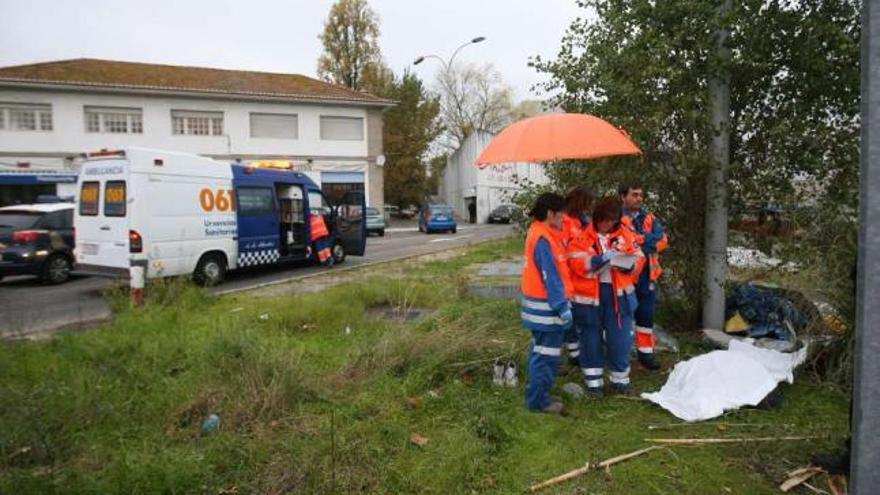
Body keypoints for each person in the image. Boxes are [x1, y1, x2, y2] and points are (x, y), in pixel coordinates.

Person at [570, 196, 643, 396]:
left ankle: (620, 380)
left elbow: (639, 258)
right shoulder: (582, 237)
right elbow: (576, 264)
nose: (608, 224)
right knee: (590, 339)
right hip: (590, 299)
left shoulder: (626, 235)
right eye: (604, 220)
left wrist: (629, 267)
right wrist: (598, 260)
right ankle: (594, 384)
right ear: (596, 218)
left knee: (620, 339)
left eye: (612, 220)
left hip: (619, 297)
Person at [521, 192, 573, 414]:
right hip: (547, 310)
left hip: (538, 309)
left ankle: (538, 395)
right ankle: (538, 402)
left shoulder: (538, 232)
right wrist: (562, 307)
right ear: (551, 213)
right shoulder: (543, 238)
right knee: (546, 356)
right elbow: (550, 277)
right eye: (561, 214)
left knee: (541, 354)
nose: (564, 219)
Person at [619, 183, 668, 370]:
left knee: (646, 316)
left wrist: (643, 240)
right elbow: (626, 243)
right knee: (623, 316)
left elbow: (663, 240)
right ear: (623, 196)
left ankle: (646, 355)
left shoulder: (648, 217)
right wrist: (648, 239)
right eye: (634, 195)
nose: (639, 198)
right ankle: (620, 355)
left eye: (641, 195)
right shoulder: (617, 218)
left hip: (648, 275)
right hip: (627, 276)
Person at [560, 186, 595, 368]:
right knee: (568, 317)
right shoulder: (565, 222)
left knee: (578, 317)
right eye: (588, 203)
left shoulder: (584, 221)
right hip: (568, 275)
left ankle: (577, 351)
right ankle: (574, 353)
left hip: (583, 277)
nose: (590, 207)